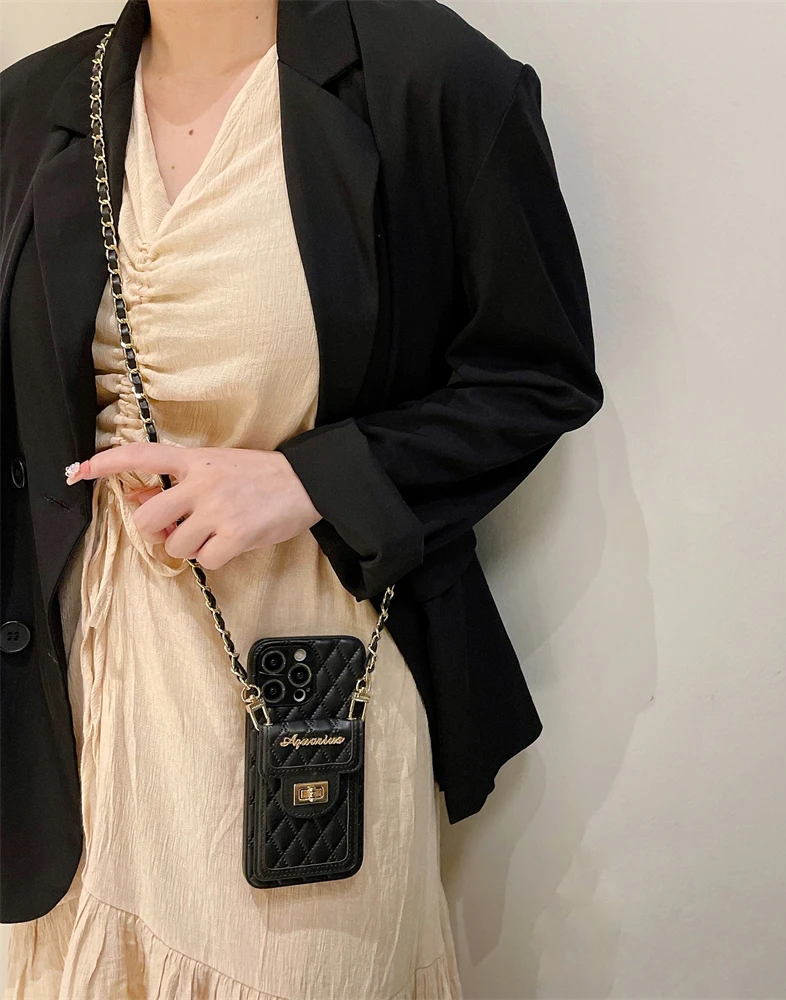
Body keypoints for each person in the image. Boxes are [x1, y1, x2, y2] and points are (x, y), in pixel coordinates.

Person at [0, 0, 603, 997]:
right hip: (85, 699)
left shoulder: (429, 80)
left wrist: (309, 480)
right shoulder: (35, 103)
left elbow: (536, 375)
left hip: (309, 682)